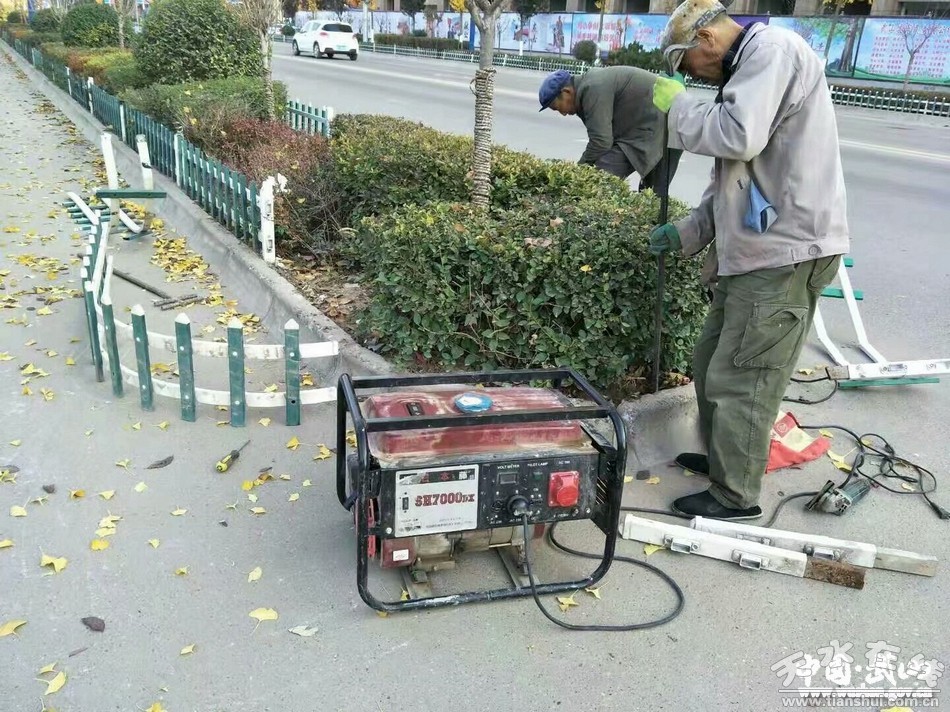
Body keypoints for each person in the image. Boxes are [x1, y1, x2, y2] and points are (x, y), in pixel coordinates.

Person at [648, 0, 850, 520]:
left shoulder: (772, 50)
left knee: (745, 376)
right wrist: (688, 231)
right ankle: (725, 461)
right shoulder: (746, 70)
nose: (691, 76)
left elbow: (737, 137)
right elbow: (734, 183)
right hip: (757, 252)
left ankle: (735, 495)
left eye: (686, 64)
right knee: (710, 364)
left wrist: (679, 107)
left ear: (705, 40)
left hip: (784, 253)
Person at [538, 67, 682, 192]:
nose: (563, 114)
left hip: (661, 127)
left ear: (567, 91)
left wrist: (577, 172)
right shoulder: (587, 87)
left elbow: (601, 142)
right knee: (652, 196)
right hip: (659, 125)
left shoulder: (592, 89)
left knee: (597, 178)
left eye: (557, 108)